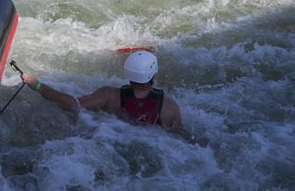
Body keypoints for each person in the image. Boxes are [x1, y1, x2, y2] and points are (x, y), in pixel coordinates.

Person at [20, 49, 184, 132]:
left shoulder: (110, 96)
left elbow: (72, 104)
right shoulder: (170, 107)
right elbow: (180, 137)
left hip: (110, 140)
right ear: (153, 73)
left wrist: (37, 85)